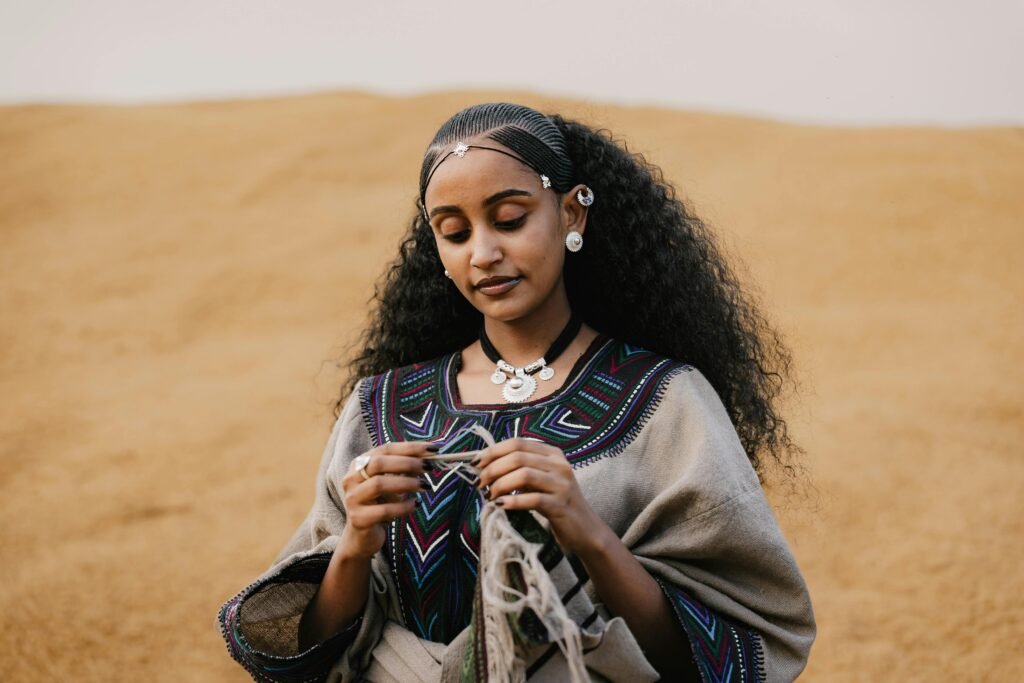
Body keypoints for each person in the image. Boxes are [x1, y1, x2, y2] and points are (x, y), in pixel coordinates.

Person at [217, 102, 816, 682]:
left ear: (572, 214)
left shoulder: (665, 400)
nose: (483, 254)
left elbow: (727, 650)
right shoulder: (380, 408)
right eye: (454, 232)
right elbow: (304, 650)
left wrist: (587, 531)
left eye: (508, 220)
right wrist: (353, 546)